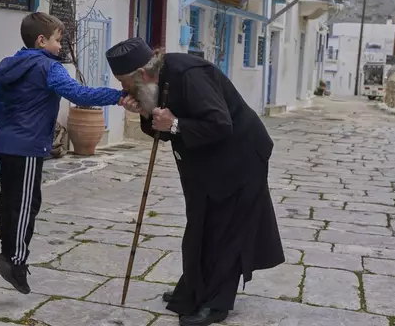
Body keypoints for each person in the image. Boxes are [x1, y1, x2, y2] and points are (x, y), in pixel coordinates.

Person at [105, 37, 285, 326]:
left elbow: (219, 123)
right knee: (200, 225)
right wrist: (146, 113)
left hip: (240, 158)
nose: (124, 89)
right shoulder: (155, 83)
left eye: (124, 82)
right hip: (205, 163)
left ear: (142, 74)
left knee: (226, 232)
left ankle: (216, 303)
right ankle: (192, 289)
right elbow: (163, 131)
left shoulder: (189, 74)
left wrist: (174, 123)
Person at [0, 12, 124, 294]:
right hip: (27, 146)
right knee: (26, 204)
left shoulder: (10, 63)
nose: (61, 46)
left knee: (10, 200)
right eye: (58, 40)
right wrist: (117, 96)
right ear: (41, 40)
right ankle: (16, 262)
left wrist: (7, 123)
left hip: (7, 142)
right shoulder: (49, 67)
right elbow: (79, 95)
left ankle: (6, 253)